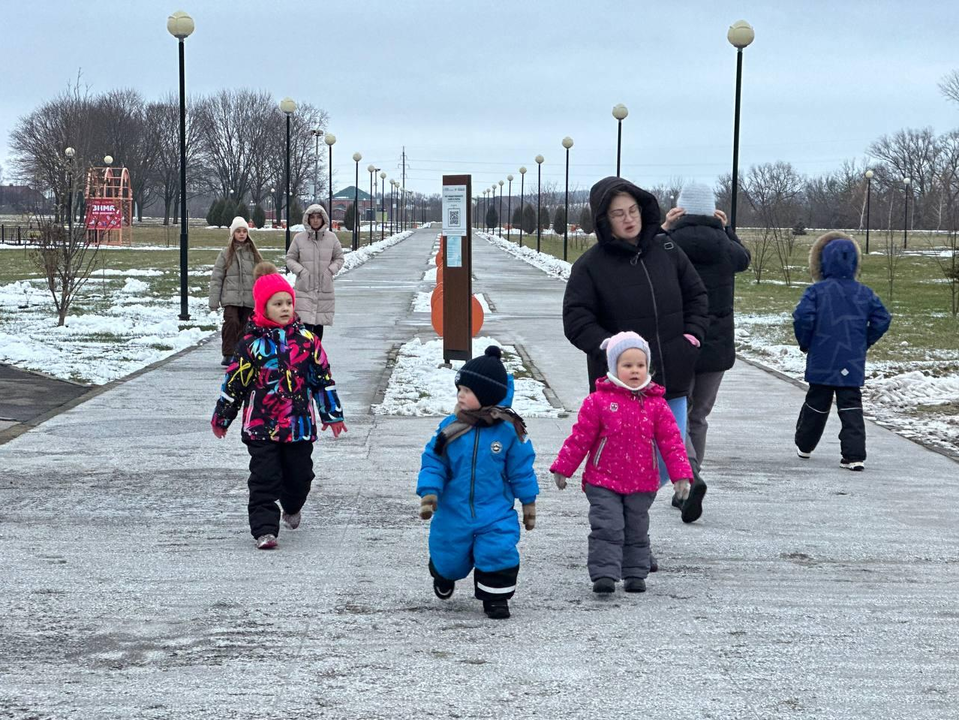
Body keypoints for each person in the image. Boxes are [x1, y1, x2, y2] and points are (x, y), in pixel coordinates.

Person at [562, 176, 709, 522]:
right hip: (618, 390)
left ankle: (631, 529)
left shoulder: (668, 251)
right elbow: (576, 320)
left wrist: (691, 338)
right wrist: (610, 347)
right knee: (624, 468)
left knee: (661, 464)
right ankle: (629, 537)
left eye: (632, 211)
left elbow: (697, 296)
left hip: (669, 379)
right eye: (618, 214)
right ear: (604, 220)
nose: (629, 219)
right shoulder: (590, 266)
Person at [211, 262, 346, 549]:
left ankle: (293, 504)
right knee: (264, 477)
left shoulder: (308, 342)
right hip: (261, 426)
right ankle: (264, 529)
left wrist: (331, 414)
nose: (285, 308)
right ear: (263, 308)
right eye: (277, 304)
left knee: (301, 475)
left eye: (288, 302)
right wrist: (222, 417)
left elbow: (322, 379)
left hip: (298, 426)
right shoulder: (250, 345)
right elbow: (234, 384)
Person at [550, 332, 693, 594]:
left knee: (637, 528)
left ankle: (635, 574)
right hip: (603, 480)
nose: (635, 371)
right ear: (614, 367)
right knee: (608, 526)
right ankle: (604, 574)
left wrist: (681, 476)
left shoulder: (656, 405)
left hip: (642, 481)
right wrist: (563, 467)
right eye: (627, 366)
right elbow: (580, 437)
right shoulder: (598, 402)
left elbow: (672, 443)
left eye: (640, 365)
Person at [416, 346, 538, 620]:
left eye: (468, 391)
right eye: (460, 389)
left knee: (499, 550)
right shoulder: (450, 428)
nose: (460, 395)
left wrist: (528, 501)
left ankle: (495, 599)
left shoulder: (509, 430)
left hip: (494, 511)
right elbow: (434, 461)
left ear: (486, 396)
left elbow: (521, 468)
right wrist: (430, 492)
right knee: (449, 558)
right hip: (454, 511)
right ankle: (443, 575)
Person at [662, 182, 751, 472]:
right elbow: (744, 259)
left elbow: (644, 253)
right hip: (717, 342)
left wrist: (665, 226)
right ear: (713, 210)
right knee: (699, 415)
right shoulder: (725, 245)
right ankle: (693, 471)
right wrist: (726, 230)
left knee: (677, 411)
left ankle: (687, 475)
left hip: (679, 338)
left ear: (680, 208)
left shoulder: (668, 243)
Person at [793, 232, 890, 470]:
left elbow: (802, 317)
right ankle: (854, 454)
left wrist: (806, 342)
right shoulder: (865, 293)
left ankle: (805, 445)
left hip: (823, 355)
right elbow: (882, 318)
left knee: (817, 402)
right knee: (851, 405)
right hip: (851, 357)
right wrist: (864, 341)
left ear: (822, 262)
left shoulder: (816, 292)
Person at [285, 203, 344, 340]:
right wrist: (301, 272)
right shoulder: (299, 239)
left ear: (323, 219)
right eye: (312, 217)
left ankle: (316, 358)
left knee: (318, 328)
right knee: (304, 328)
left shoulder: (331, 238)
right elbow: (290, 258)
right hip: (304, 288)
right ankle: (304, 357)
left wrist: (330, 271)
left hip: (323, 288)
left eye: (318, 217)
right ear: (308, 219)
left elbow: (339, 258)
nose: (316, 220)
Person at [208, 216, 262, 366]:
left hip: (249, 298)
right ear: (233, 234)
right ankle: (228, 353)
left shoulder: (253, 254)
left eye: (244, 231)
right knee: (231, 322)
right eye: (238, 231)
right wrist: (214, 301)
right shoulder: (225, 254)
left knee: (246, 325)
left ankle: (241, 353)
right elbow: (217, 278)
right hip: (230, 297)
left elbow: (261, 276)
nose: (242, 234)